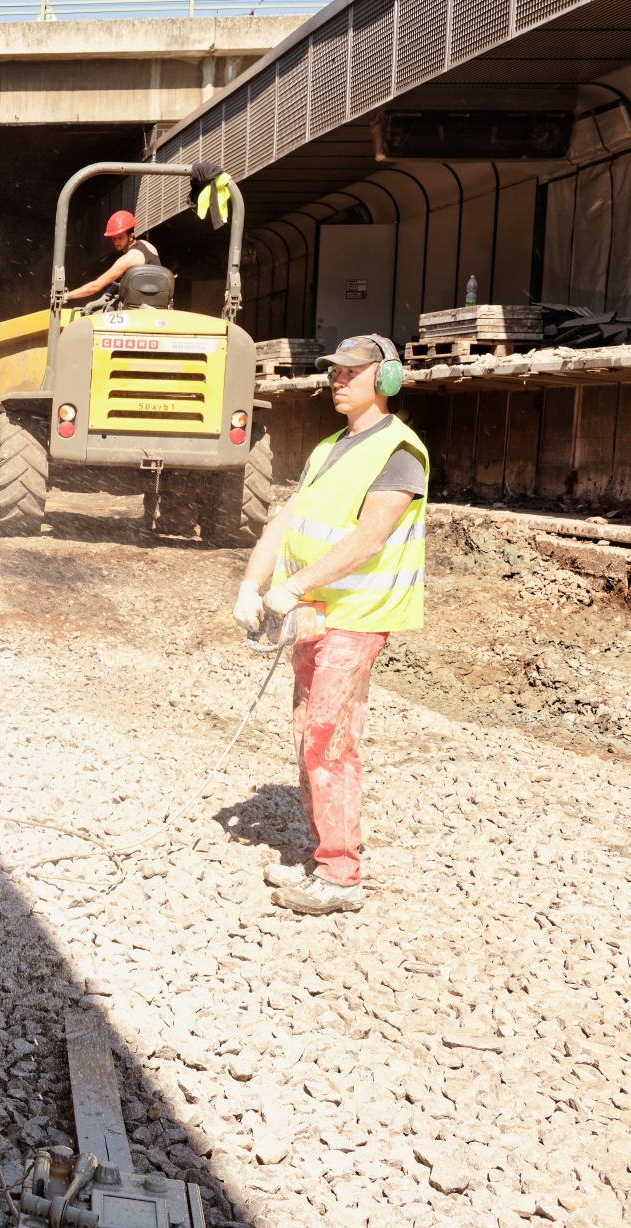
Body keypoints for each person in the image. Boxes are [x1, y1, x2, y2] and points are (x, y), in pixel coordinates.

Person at [231, 335, 428, 916]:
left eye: (351, 372)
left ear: (385, 380)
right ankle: (325, 853)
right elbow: (283, 522)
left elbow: (369, 538)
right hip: (314, 614)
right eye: (334, 372)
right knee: (307, 734)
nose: (337, 380)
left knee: (329, 739)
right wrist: (252, 583)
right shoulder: (328, 449)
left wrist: (290, 588)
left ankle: (341, 877)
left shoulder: (399, 450)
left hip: (356, 619)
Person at [63, 210, 160, 303]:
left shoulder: (127, 259)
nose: (116, 242)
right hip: (157, 301)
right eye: (114, 238)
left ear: (131, 236)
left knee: (93, 309)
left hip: (138, 305)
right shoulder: (147, 245)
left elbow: (96, 286)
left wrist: (67, 296)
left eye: (120, 238)